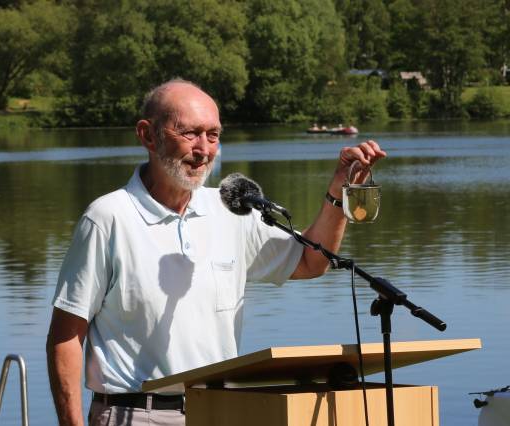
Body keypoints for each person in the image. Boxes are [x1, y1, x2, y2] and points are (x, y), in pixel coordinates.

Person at [46, 79, 386, 426]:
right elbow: (65, 337)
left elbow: (311, 261)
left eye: (213, 134)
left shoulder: (230, 208)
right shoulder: (108, 218)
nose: (204, 149)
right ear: (148, 135)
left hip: (220, 411)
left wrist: (339, 189)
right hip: (135, 414)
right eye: (189, 133)